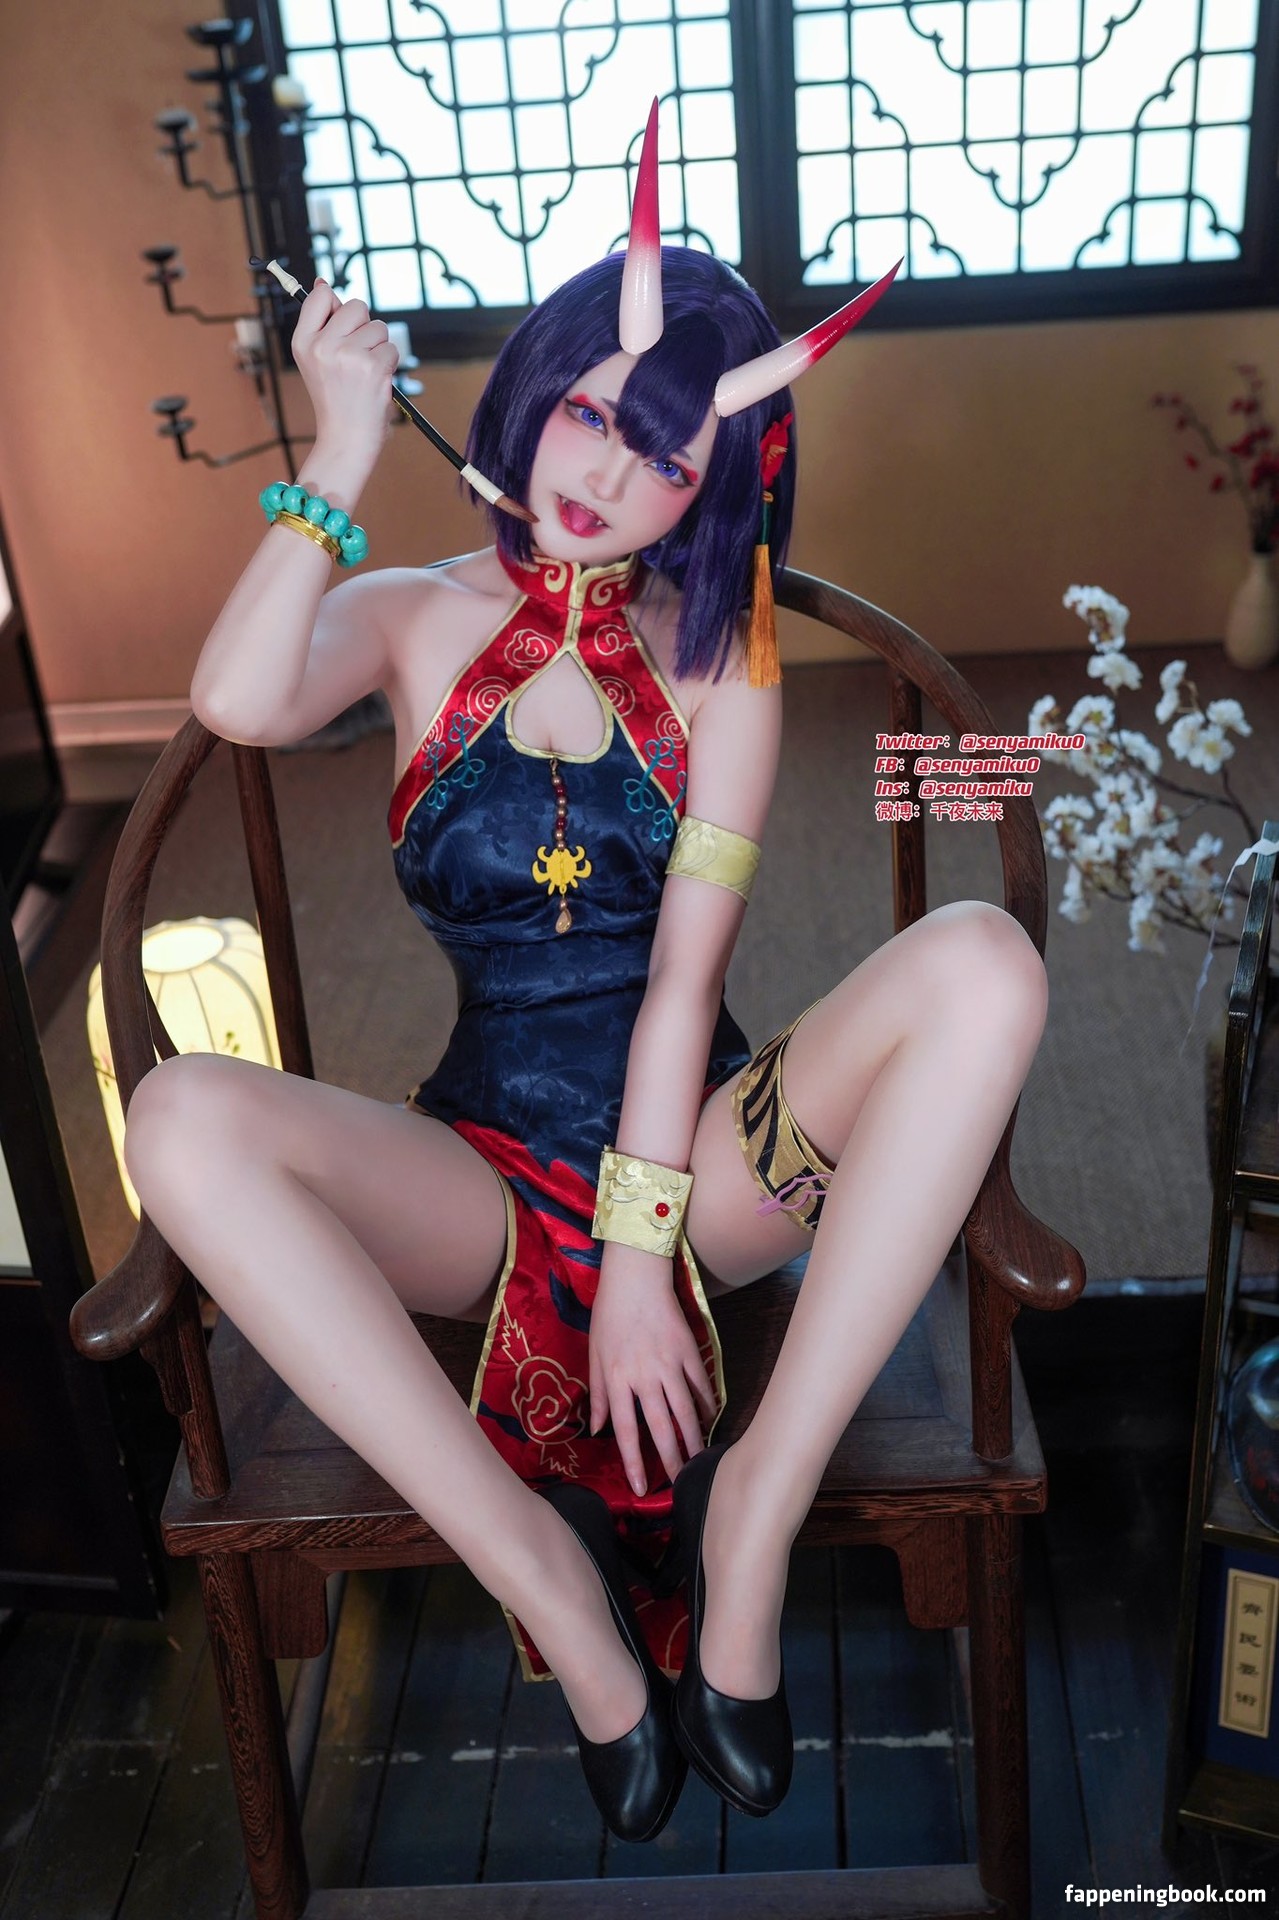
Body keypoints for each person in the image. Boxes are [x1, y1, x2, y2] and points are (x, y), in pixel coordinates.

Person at [121, 119, 1049, 1846]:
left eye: (669, 460)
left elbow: (686, 978)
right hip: (472, 1175)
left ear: (716, 492)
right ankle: (536, 1569)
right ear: (538, 389)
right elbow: (240, 702)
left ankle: (755, 1512)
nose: (609, 478)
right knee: (175, 1116)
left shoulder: (724, 656)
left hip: (699, 1160)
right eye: (590, 415)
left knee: (986, 961)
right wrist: (339, 441)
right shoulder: (408, 613)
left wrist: (638, 1255)